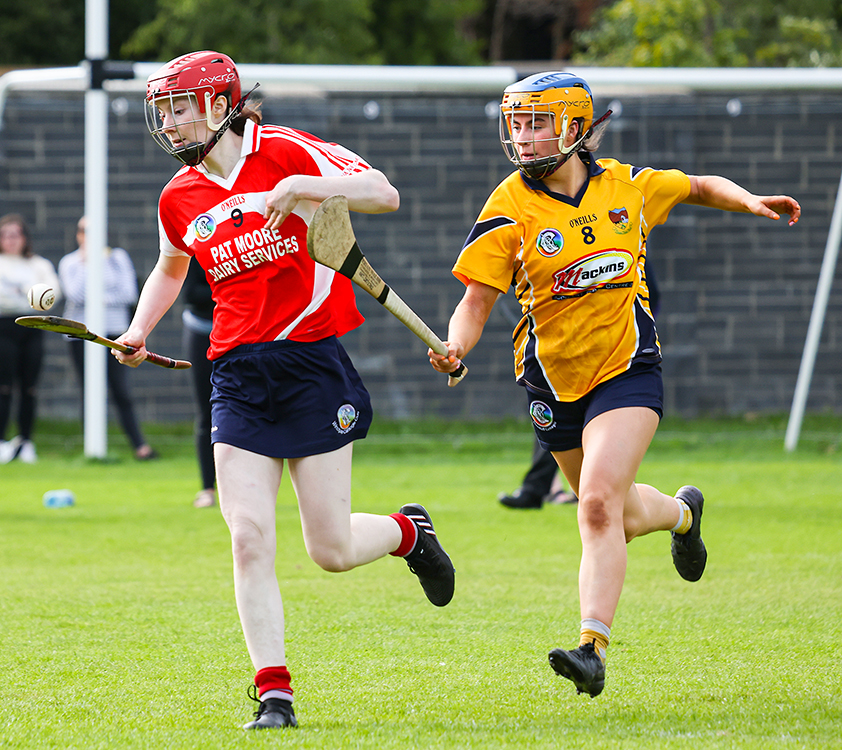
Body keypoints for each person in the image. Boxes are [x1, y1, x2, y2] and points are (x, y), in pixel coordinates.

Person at [429, 71, 801, 698]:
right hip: (551, 384)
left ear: (575, 127)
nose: (523, 137)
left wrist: (751, 201)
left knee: (596, 503)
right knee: (620, 516)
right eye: (516, 123)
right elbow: (475, 301)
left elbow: (701, 185)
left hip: (628, 369)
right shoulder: (508, 205)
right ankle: (683, 514)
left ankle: (592, 647)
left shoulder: (627, 187)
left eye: (537, 122)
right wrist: (456, 345)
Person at [113, 50, 455, 730]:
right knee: (247, 537)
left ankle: (407, 535)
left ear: (219, 105)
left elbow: (384, 193)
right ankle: (275, 693)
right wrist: (138, 327)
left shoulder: (288, 150)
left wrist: (301, 186)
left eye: (180, 108)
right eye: (164, 112)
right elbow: (169, 266)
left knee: (328, 550)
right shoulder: (177, 196)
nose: (170, 123)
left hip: (310, 365)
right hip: (235, 373)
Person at [499, 261, 660, 510]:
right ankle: (540, 488)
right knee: (615, 510)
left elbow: (652, 293)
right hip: (560, 365)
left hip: (613, 362)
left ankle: (541, 488)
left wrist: (634, 328)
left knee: (601, 499)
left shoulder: (623, 235)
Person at [58, 216, 157, 460]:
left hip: (115, 332)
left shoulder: (117, 258)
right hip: (82, 335)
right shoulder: (70, 263)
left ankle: (139, 445)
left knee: (121, 390)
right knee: (89, 390)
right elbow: (76, 295)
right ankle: (91, 447)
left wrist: (99, 299)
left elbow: (129, 293)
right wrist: (88, 262)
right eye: (84, 231)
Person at [0, 213, 61, 463]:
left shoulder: (39, 264)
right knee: (3, 387)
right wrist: (27, 295)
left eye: (15, 235)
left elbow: (53, 294)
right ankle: (0, 442)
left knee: (29, 388)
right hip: (1, 326)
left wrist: (19, 293)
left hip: (32, 326)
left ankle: (25, 441)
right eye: (5, 235)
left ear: (24, 238)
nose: (11, 240)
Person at [181, 258, 217, 508]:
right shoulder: (199, 242)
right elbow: (191, 293)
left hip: (243, 332)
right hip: (202, 330)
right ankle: (208, 488)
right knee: (207, 412)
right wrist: (227, 289)